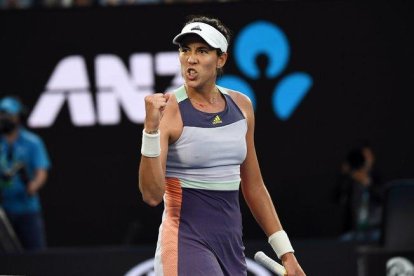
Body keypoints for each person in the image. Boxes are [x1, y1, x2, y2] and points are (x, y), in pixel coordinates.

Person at [138, 15, 306, 275]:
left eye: (202, 51)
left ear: (221, 59)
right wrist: (150, 130)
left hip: (230, 246)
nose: (190, 59)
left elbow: (254, 186)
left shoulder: (242, 106)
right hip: (184, 243)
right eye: (185, 50)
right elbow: (150, 194)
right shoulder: (168, 111)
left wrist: (287, 254)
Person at [0, 96, 51, 251]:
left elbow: (41, 171)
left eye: (8, 116)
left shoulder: (32, 142)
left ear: (18, 117)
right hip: (3, 210)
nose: (4, 119)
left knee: (35, 255)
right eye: (1, 115)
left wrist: (33, 186)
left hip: (27, 208)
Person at [334, 143, 383, 242]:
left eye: (367, 157)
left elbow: (383, 197)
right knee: (343, 241)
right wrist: (347, 176)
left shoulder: (376, 178)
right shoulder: (350, 180)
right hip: (353, 230)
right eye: (362, 158)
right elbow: (336, 197)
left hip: (374, 229)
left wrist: (368, 183)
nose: (365, 161)